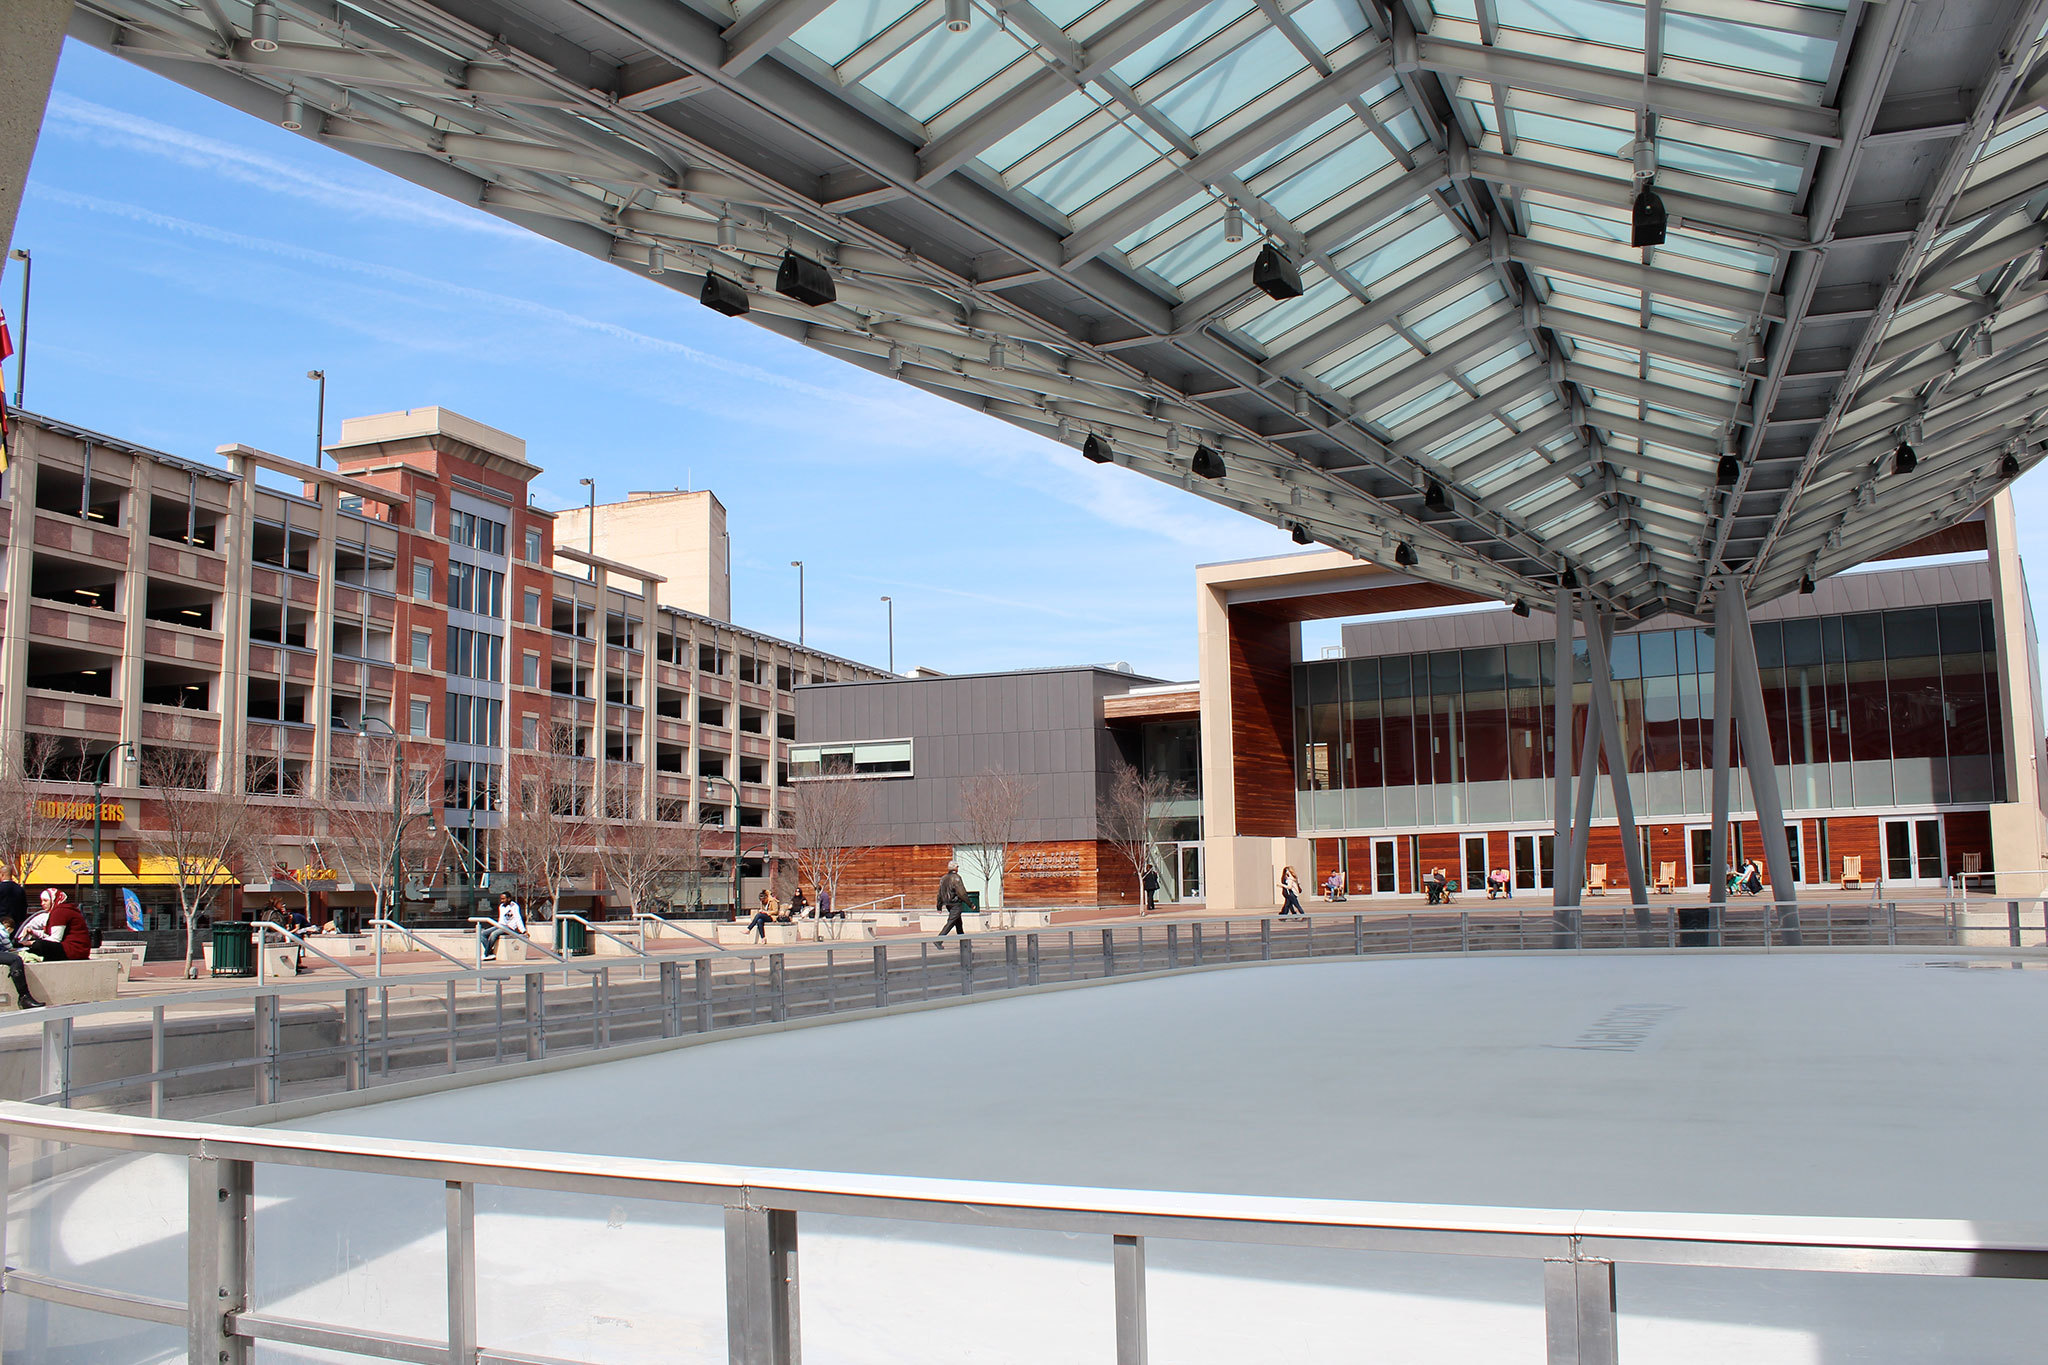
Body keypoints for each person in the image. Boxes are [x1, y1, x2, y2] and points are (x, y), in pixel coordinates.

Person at [479, 891, 525, 959]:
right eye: (501, 899)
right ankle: (490, 953)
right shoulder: (501, 906)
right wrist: (497, 926)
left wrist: (523, 930)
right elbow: (501, 919)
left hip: (510, 927)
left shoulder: (514, 906)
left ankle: (486, 954)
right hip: (501, 925)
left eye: (504, 899)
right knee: (482, 934)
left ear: (509, 899)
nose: (502, 900)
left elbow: (518, 918)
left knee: (494, 934)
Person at [935, 861, 970, 936]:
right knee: (951, 922)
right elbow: (962, 893)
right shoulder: (956, 877)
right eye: (957, 867)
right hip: (955, 903)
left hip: (948, 904)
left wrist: (939, 906)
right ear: (954, 868)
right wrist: (970, 904)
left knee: (958, 923)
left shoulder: (943, 878)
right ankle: (939, 939)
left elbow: (940, 893)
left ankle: (963, 942)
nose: (958, 868)